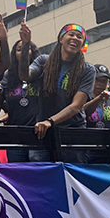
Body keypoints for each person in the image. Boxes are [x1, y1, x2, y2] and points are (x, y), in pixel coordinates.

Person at [18, 21, 96, 163]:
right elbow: (24, 75)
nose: (75, 38)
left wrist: (50, 121)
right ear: (61, 38)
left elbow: (76, 106)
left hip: (73, 132)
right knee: (40, 174)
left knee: (74, 176)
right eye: (71, 34)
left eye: (79, 37)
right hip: (42, 130)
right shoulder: (44, 61)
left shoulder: (88, 70)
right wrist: (25, 45)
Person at [0, 30, 42, 162]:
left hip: (38, 134)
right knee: (18, 173)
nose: (23, 52)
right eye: (19, 49)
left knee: (38, 171)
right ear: (14, 54)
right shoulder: (7, 77)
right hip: (15, 136)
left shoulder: (41, 74)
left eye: (27, 48)